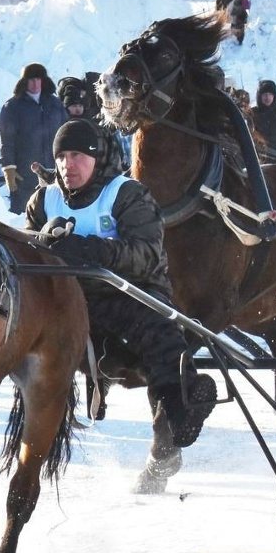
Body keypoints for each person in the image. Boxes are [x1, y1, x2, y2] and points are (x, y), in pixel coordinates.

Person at [24, 118, 217, 463]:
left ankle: (183, 405)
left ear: (98, 158)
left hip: (129, 292)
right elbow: (24, 251)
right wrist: (41, 242)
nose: (69, 165)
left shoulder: (126, 194)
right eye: (63, 156)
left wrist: (90, 251)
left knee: (157, 329)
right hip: (69, 302)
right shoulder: (44, 201)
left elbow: (146, 255)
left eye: (79, 155)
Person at [0, 62, 68, 214]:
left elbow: (66, 133)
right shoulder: (12, 107)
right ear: (24, 82)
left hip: (56, 171)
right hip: (25, 174)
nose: (35, 84)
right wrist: (9, 168)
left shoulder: (55, 103)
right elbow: (7, 141)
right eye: (31, 80)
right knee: (24, 217)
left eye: (38, 79)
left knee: (55, 213)